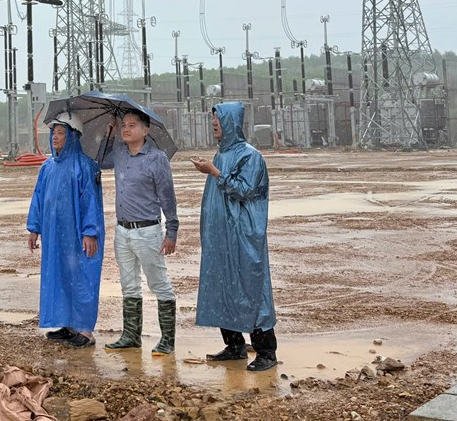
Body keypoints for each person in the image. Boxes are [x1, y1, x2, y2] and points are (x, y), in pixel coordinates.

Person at [190, 102, 278, 372]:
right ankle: (235, 345)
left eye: (219, 120)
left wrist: (214, 172)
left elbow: (245, 191)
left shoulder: (250, 156)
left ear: (232, 123)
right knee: (222, 286)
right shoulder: (220, 154)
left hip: (243, 236)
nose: (214, 124)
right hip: (220, 235)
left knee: (250, 288)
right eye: (213, 120)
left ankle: (266, 352)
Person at [99, 110, 179, 355]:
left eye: (132, 125)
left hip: (148, 231)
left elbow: (167, 197)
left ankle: (167, 340)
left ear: (146, 130)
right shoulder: (119, 154)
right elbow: (99, 161)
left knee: (159, 284)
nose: (126, 129)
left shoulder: (157, 159)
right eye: (124, 125)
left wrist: (171, 231)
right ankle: (131, 336)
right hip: (122, 231)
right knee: (128, 285)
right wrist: (109, 133)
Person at [26, 112, 105, 348]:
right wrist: (34, 228)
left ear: (73, 136)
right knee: (59, 276)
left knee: (81, 277)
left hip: (77, 235)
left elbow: (90, 201)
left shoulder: (85, 166)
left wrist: (90, 232)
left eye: (61, 133)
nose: (55, 137)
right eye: (53, 133)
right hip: (54, 235)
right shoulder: (47, 167)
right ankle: (67, 325)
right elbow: (39, 198)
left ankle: (85, 331)